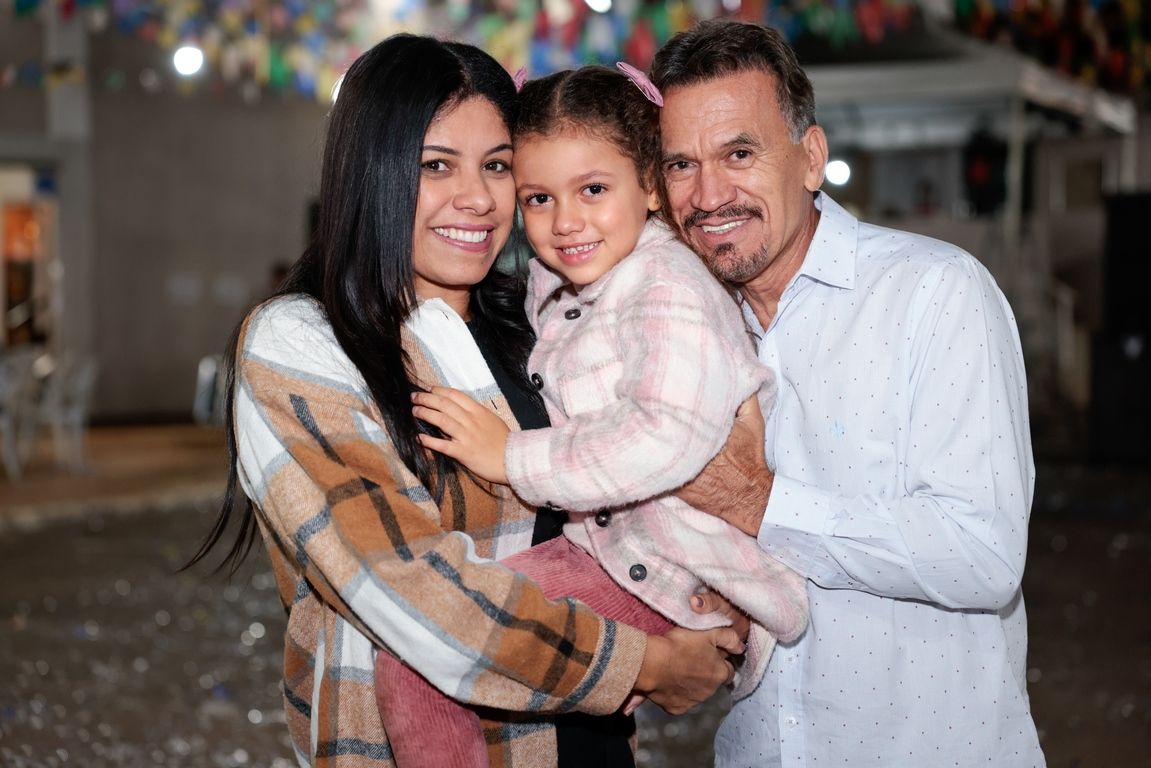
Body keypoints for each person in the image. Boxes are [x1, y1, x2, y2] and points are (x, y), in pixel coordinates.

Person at [186, 34, 745, 768]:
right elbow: (406, 584)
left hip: (587, 743)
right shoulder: (303, 342)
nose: (478, 199)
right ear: (372, 171)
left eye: (498, 166)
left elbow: (665, 463)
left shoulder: (544, 319)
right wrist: (644, 664)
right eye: (436, 165)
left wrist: (719, 578)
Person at [373, 64, 809, 767]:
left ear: (651, 186)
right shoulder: (566, 277)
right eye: (538, 198)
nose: (565, 221)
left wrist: (509, 457)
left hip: (663, 567)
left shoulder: (667, 285)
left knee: (421, 655)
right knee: (432, 643)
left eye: (593, 190)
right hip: (611, 551)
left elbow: (664, 435)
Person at [649, 18, 1047, 767]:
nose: (708, 194)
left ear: (810, 158)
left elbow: (983, 553)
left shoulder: (934, 293)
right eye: (680, 165)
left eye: (739, 153)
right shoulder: (685, 332)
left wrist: (761, 504)